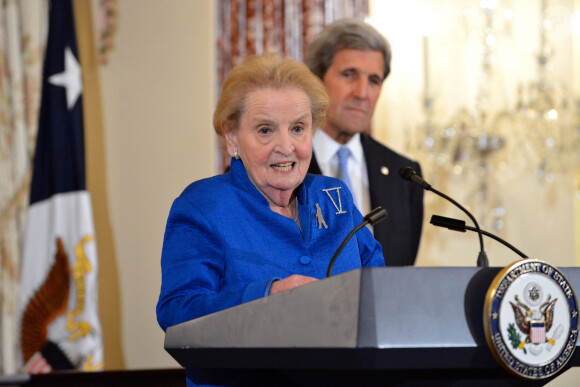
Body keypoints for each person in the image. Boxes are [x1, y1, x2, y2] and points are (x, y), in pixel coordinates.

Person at [156, 54, 385, 387]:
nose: (286, 147)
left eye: (298, 128)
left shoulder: (335, 198)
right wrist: (269, 295)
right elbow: (179, 314)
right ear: (232, 137)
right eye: (265, 130)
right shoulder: (202, 206)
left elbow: (380, 294)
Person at [305, 18, 424, 267]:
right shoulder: (282, 164)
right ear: (316, 80)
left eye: (374, 80)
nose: (362, 93)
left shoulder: (405, 176)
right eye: (349, 75)